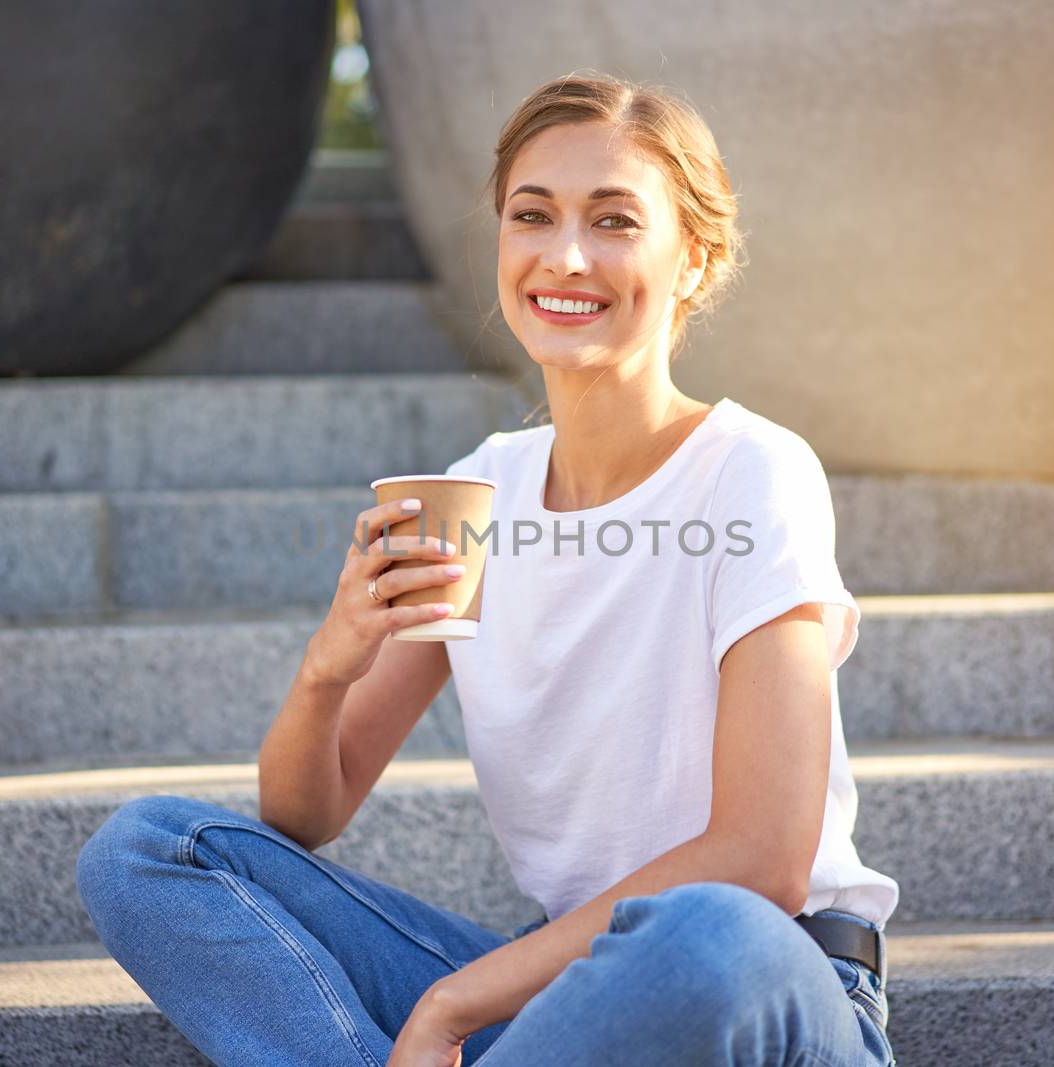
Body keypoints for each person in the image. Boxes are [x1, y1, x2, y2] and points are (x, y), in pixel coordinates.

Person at [76, 71, 900, 1067]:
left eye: (613, 221)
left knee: (705, 930)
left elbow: (761, 864)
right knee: (148, 848)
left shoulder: (750, 473)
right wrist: (330, 663)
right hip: (563, 997)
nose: (565, 255)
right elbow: (306, 811)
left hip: (766, 990)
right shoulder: (477, 497)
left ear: (695, 260)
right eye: (532, 215)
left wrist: (453, 1002)